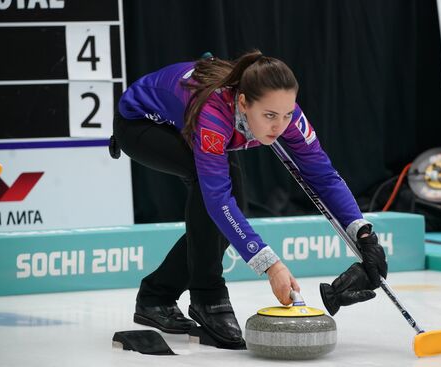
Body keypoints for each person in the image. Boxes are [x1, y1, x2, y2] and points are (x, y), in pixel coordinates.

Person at [112, 50, 387, 348]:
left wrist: (363, 233)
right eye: (269, 116)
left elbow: (324, 175)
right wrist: (271, 265)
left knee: (233, 208)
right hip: (142, 124)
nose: (279, 126)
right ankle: (207, 296)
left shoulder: (287, 115)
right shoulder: (214, 115)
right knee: (212, 189)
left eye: (286, 114)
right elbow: (217, 200)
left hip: (183, 120)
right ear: (243, 103)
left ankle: (156, 297)